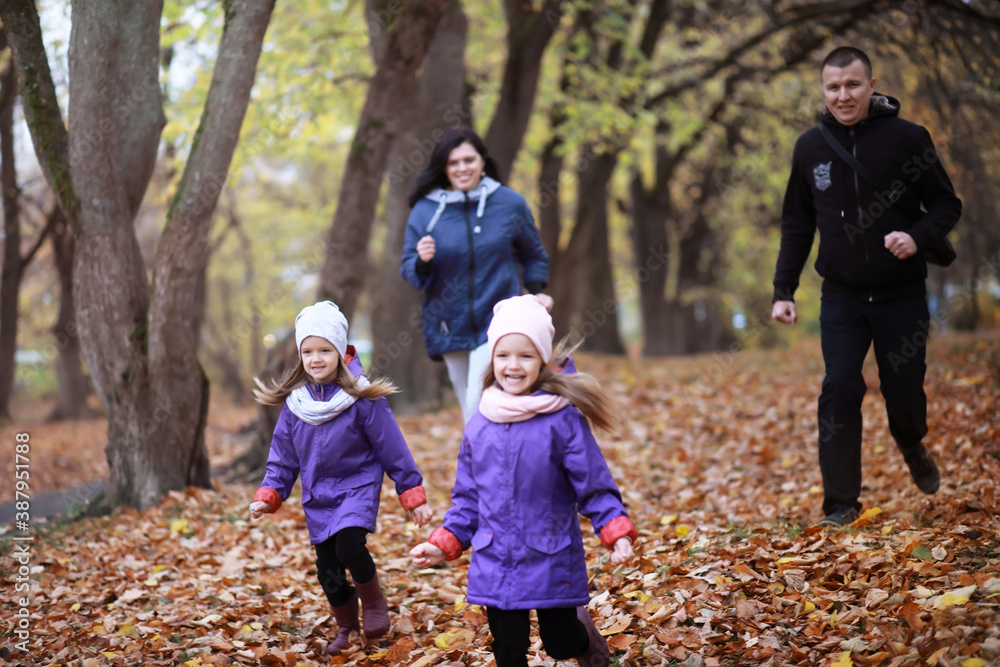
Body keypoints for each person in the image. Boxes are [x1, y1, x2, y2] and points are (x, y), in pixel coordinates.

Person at [771, 46, 961, 527]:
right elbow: (797, 226)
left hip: (901, 295)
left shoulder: (908, 139)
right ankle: (840, 504)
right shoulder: (811, 148)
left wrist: (915, 237)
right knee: (838, 386)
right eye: (833, 87)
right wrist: (783, 291)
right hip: (842, 296)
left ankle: (911, 441)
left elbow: (946, 205)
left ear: (872, 85)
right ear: (823, 90)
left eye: (852, 84)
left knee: (904, 396)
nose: (843, 95)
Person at [410, 295, 636, 667]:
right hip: (494, 558)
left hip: (551, 554)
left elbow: (593, 485)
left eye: (525, 356)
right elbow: (468, 499)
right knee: (508, 650)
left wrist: (616, 530)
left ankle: (584, 637)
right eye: (503, 356)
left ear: (543, 361)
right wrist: (443, 543)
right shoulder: (480, 424)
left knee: (560, 643)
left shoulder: (563, 421)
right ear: (492, 360)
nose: (512, 365)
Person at [248, 301, 434, 654]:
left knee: (350, 544)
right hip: (318, 497)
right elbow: (282, 460)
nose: (316, 359)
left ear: (340, 351)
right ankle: (346, 627)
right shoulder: (296, 405)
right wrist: (269, 494)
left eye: (324, 350)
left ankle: (374, 602)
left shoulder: (360, 398)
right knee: (328, 570)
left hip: (356, 490)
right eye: (308, 351)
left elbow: (392, 448)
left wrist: (411, 493)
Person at [401, 127, 552, 423]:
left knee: (477, 400)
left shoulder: (509, 203)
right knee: (468, 403)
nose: (462, 168)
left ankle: (483, 462)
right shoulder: (425, 210)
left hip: (498, 317)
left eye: (469, 160)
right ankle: (481, 460)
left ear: (483, 162)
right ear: (444, 168)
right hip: (448, 320)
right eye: (453, 162)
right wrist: (422, 260)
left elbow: (533, 254)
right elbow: (409, 271)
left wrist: (535, 292)